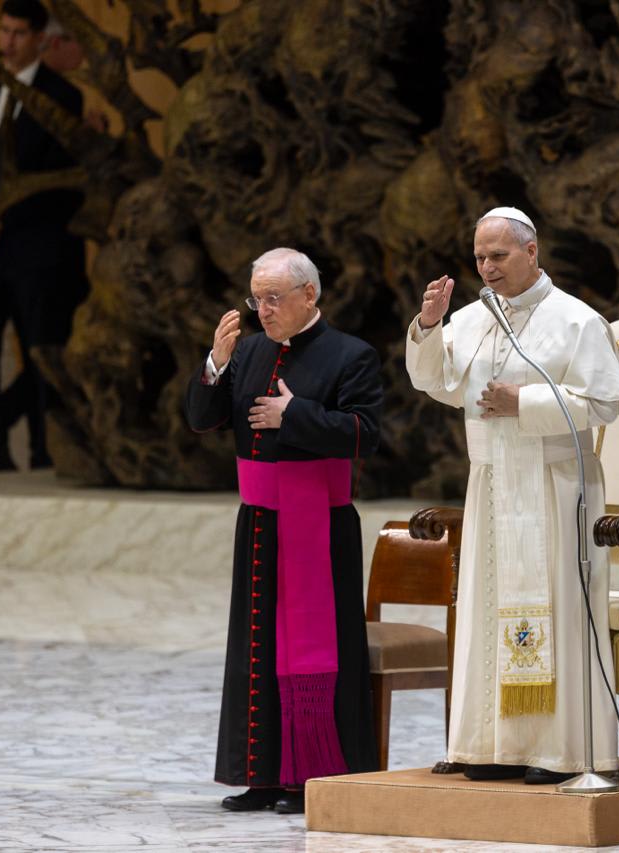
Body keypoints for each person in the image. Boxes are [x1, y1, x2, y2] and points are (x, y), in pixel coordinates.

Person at [405, 207, 619, 784]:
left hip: (556, 486)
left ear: (532, 251)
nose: (487, 268)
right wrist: (429, 327)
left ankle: (558, 752)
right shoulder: (473, 318)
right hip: (493, 485)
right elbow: (432, 380)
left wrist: (523, 404)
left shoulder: (576, 320)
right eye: (480, 257)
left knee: (554, 610)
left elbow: (606, 404)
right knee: (489, 611)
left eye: (498, 256)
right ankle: (491, 746)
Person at [186, 248, 381, 813]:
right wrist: (216, 364)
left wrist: (293, 416)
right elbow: (203, 419)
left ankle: (313, 776)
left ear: (309, 296)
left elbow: (366, 434)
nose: (263, 310)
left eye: (274, 298)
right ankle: (264, 775)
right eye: (256, 299)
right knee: (258, 646)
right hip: (259, 524)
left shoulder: (352, 355)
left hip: (319, 526)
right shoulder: (247, 351)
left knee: (315, 648)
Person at [0, 0, 86, 472]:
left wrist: (1, 224)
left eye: (18, 33)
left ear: (40, 39)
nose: (7, 41)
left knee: (40, 355)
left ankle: (47, 451)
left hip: (33, 251)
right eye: (3, 30)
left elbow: (58, 179)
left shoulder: (62, 98)